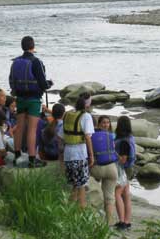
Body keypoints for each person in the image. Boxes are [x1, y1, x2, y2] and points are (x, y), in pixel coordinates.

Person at [9, 36, 53, 168]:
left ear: (22, 46)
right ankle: (32, 159)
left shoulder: (15, 62)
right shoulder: (36, 62)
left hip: (20, 98)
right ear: (33, 46)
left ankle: (17, 155)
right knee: (32, 130)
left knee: (20, 127)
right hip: (34, 100)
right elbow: (43, 84)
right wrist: (50, 83)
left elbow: (11, 80)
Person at [57, 93, 94, 208]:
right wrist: (91, 155)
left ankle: (69, 209)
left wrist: (61, 155)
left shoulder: (67, 115)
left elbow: (60, 136)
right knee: (82, 185)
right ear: (87, 105)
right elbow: (88, 137)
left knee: (75, 185)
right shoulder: (86, 116)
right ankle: (81, 211)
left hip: (68, 154)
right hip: (80, 155)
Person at [90, 115, 118, 225]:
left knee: (84, 186)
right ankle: (109, 223)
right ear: (99, 124)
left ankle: (92, 216)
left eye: (107, 122)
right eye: (104, 122)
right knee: (110, 197)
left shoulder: (90, 136)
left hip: (96, 168)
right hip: (111, 168)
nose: (106, 124)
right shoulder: (112, 136)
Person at [114, 116, 136, 230]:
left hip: (123, 168)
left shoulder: (123, 141)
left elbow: (122, 159)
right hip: (130, 167)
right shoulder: (130, 137)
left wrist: (112, 152)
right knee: (126, 194)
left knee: (117, 193)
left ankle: (122, 222)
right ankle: (127, 222)